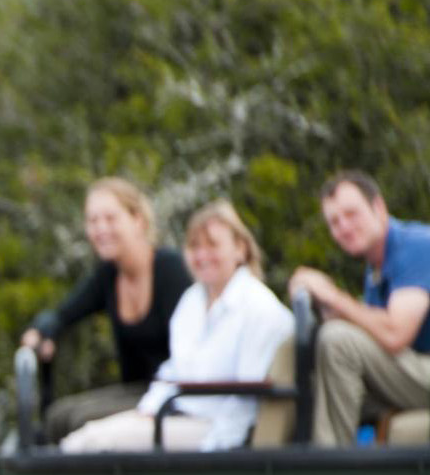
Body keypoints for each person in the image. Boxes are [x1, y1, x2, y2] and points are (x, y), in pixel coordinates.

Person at [62, 201, 293, 453]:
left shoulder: (259, 308)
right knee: (83, 434)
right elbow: (174, 370)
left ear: (240, 248)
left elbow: (244, 405)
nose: (202, 256)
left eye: (213, 245)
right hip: (175, 416)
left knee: (87, 444)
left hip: (213, 431)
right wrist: (148, 412)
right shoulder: (193, 300)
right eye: (195, 246)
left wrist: (208, 456)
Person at [21, 178, 193, 441]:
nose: (101, 229)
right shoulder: (108, 275)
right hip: (136, 391)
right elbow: (64, 313)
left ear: (137, 220)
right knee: (58, 415)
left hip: (173, 396)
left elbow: (191, 352)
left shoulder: (170, 270)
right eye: (93, 221)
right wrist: (41, 332)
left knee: (79, 421)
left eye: (110, 219)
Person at [288, 171, 430, 446]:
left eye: (351, 214)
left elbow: (395, 334)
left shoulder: (417, 246)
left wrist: (333, 295)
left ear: (378, 207)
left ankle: (332, 474)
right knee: (320, 370)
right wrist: (325, 305)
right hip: (417, 370)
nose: (344, 227)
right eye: (334, 222)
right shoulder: (375, 265)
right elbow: (372, 332)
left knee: (338, 341)